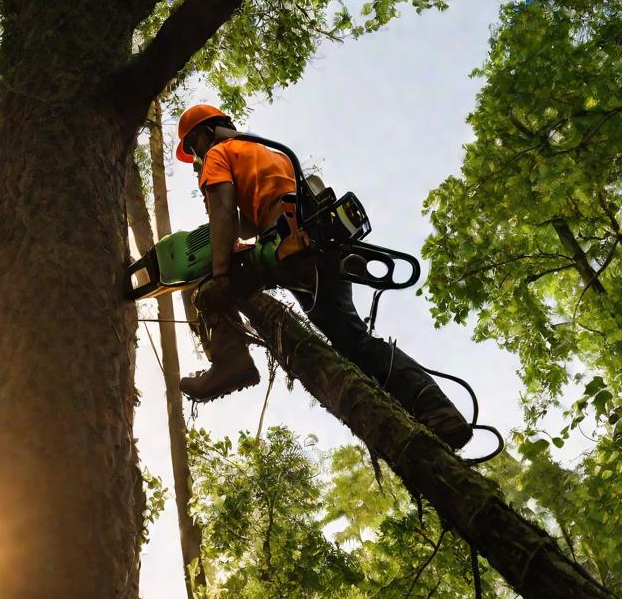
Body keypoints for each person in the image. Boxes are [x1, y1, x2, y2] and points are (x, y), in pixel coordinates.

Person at [175, 102, 472, 450]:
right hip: (322, 247)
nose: (195, 155)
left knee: (208, 290)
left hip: (292, 248)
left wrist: (221, 271)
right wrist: (225, 230)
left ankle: (230, 361)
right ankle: (435, 409)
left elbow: (224, 209)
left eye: (193, 146)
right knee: (353, 341)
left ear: (203, 133)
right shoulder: (263, 150)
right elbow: (252, 220)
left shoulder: (217, 154)